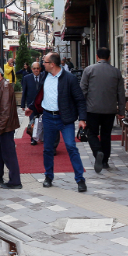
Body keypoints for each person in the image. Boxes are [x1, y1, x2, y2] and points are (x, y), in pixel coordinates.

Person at [26, 52, 88, 193]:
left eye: (45, 62)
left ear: (52, 64)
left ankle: (80, 179)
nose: (42, 64)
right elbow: (40, 96)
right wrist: (31, 107)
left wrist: (82, 119)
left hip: (64, 119)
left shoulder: (69, 79)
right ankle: (48, 177)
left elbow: (80, 99)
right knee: (47, 149)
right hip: (48, 117)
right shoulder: (44, 77)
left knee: (71, 147)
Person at [80, 47, 125, 173]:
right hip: (110, 110)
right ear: (109, 57)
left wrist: (81, 110)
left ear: (97, 56)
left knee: (92, 133)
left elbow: (82, 91)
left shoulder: (89, 70)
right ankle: (105, 161)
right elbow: (121, 93)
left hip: (92, 109)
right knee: (106, 135)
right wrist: (121, 111)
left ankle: (98, 151)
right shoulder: (116, 72)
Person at [21, 62, 45, 146]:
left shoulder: (44, 77)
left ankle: (43, 137)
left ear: (40, 69)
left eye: (38, 68)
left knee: (44, 121)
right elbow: (24, 91)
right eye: (34, 68)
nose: (36, 70)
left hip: (43, 104)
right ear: (31, 69)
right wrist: (23, 104)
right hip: (31, 104)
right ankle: (33, 139)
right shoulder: (27, 78)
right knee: (32, 121)